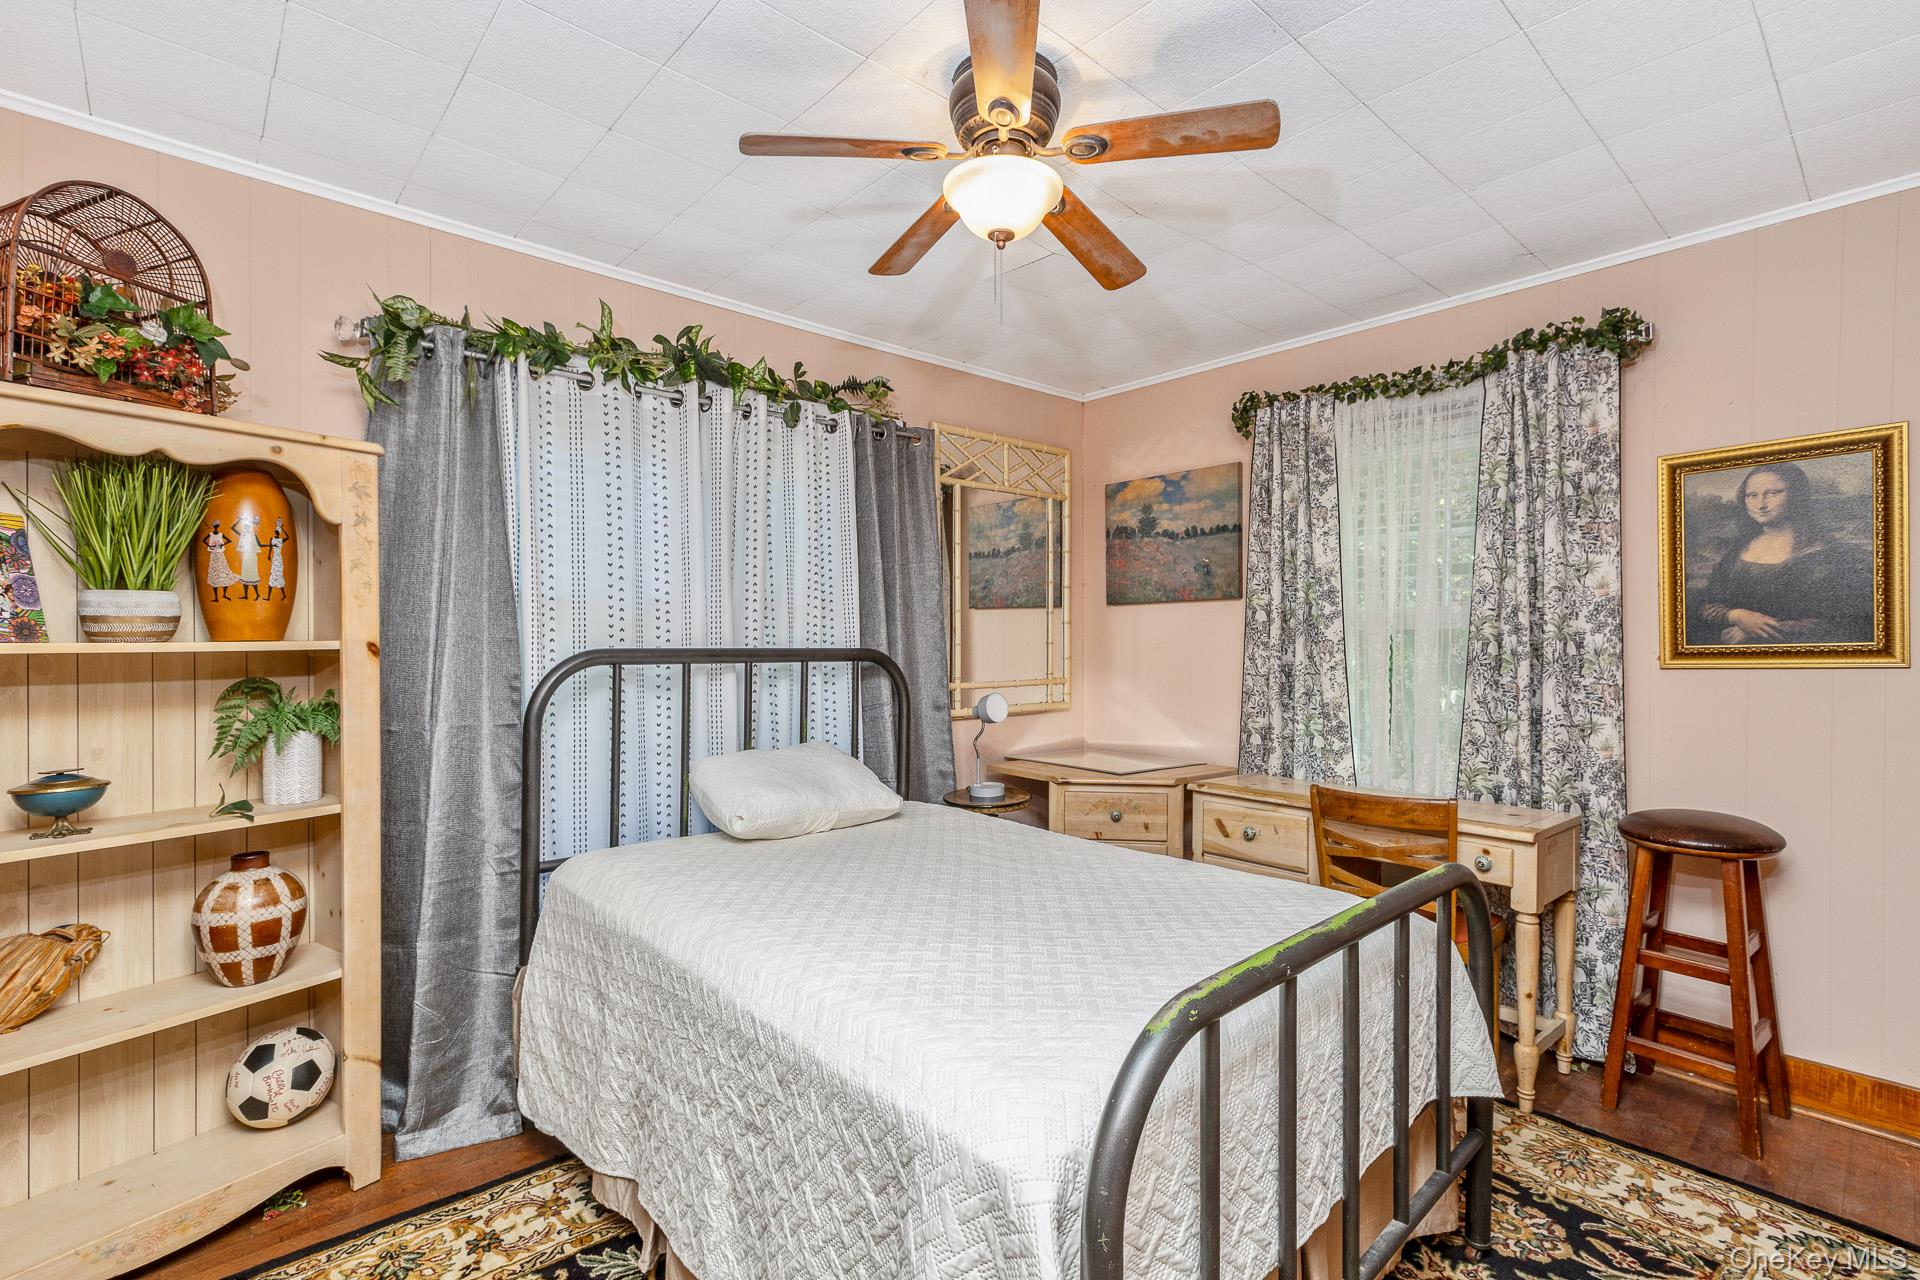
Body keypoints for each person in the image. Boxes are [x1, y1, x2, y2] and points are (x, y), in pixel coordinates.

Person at [1690, 462, 1874, 645]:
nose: (1761, 504)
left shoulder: (1826, 554)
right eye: (1752, 495)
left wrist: (1758, 632)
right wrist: (1736, 615)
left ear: (1797, 495)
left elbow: (1842, 622)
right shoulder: (1737, 552)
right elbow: (1707, 604)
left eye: (1774, 493)